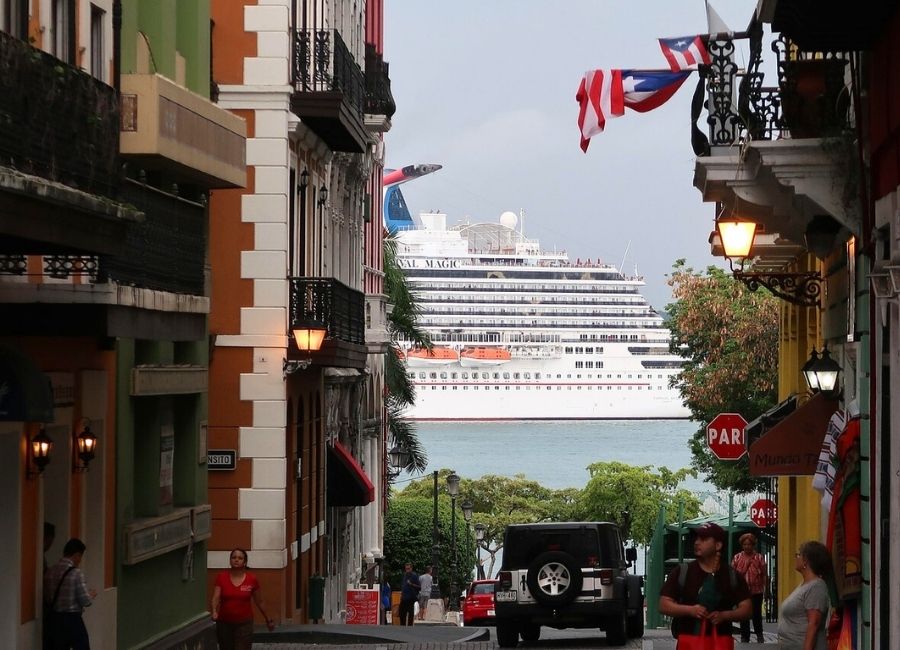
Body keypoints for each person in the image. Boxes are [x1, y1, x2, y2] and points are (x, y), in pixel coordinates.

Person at [659, 522, 752, 643]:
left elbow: (747, 609)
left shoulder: (731, 576)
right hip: (689, 642)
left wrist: (724, 616)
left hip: (720, 642)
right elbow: (663, 604)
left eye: (703, 539)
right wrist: (690, 610)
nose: (697, 542)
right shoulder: (683, 572)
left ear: (718, 545)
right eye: (696, 538)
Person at [211, 548, 275, 650]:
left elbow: (260, 601)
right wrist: (214, 611)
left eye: (240, 558)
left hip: (244, 624)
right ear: (230, 560)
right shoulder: (221, 577)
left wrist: (268, 619)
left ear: (244, 562)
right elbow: (216, 597)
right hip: (224, 623)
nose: (236, 560)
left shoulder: (252, 579)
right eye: (234, 557)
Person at [777, 541, 832, 650]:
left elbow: (814, 623)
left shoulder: (816, 586)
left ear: (806, 560)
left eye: (798, 555)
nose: (796, 558)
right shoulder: (804, 585)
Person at [44, 538, 97, 650]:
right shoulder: (76, 573)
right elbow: (85, 601)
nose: (80, 560)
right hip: (73, 619)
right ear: (77, 555)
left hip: (55, 619)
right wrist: (91, 594)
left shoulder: (50, 571)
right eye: (80, 557)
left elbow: (48, 598)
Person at [732, 532, 768, 643]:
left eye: (749, 544)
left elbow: (764, 574)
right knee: (743, 614)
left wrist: (766, 589)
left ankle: (759, 634)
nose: (747, 546)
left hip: (756, 591)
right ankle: (744, 636)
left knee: (757, 613)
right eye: (745, 544)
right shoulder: (737, 558)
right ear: (742, 545)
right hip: (742, 592)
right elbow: (733, 575)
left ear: (753, 545)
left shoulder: (758, 557)